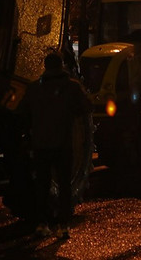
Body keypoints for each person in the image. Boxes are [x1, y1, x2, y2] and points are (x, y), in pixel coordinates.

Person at [18, 52, 92, 239]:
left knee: (42, 185)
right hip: (63, 144)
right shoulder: (72, 87)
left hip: (41, 145)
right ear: (61, 65)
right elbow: (85, 108)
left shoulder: (34, 88)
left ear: (45, 66)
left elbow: (23, 114)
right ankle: (63, 225)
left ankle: (42, 223)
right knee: (65, 186)